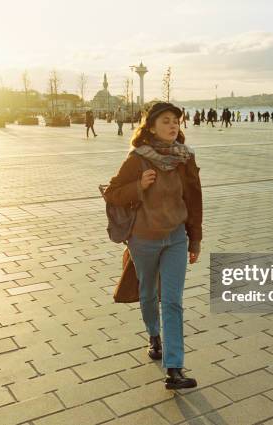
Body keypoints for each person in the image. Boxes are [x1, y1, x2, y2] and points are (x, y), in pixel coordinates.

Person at [103, 102, 202, 390]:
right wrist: (138, 186)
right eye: (167, 121)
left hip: (175, 238)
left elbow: (194, 201)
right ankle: (153, 336)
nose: (173, 126)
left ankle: (174, 368)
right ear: (151, 127)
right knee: (148, 291)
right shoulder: (138, 159)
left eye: (177, 122)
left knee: (172, 301)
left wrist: (194, 238)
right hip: (143, 239)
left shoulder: (185, 158)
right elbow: (112, 194)